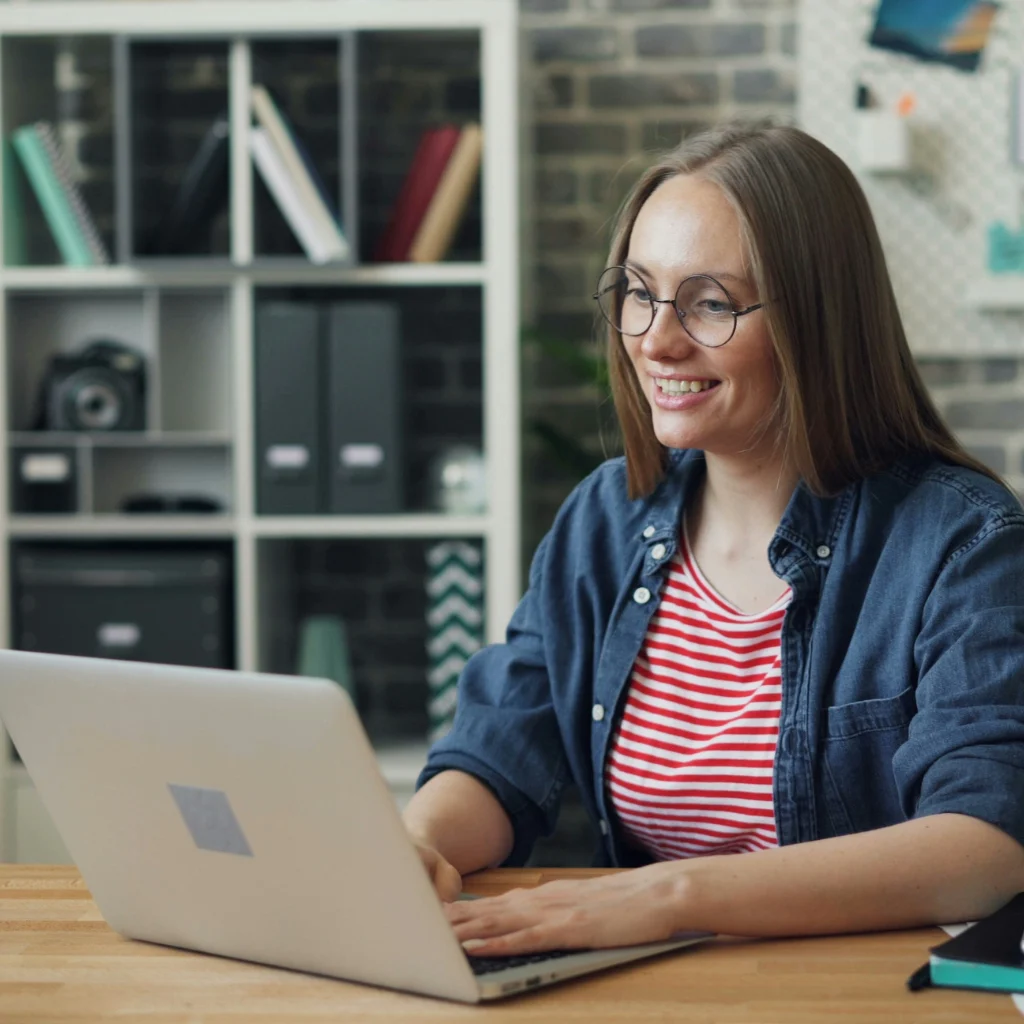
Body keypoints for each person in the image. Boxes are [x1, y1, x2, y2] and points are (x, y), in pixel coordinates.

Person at [402, 120, 1024, 956]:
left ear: (818, 321)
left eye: (710, 303)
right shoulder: (606, 519)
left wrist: (671, 895)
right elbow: (498, 750)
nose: (656, 340)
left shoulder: (962, 542)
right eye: (639, 292)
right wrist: (418, 846)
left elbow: (987, 845)